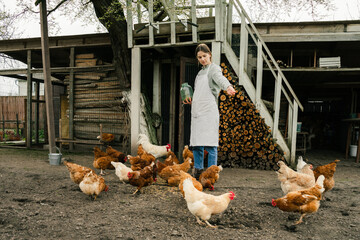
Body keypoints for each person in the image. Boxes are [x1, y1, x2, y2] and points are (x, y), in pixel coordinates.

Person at [183, 43, 236, 179]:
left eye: (204, 56)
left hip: (208, 112)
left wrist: (228, 87)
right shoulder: (200, 72)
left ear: (210, 55)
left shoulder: (214, 69)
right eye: (199, 57)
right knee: (197, 145)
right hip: (197, 112)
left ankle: (212, 174)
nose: (202, 59)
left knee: (211, 144)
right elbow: (198, 92)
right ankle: (198, 172)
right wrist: (191, 99)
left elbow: (220, 79)